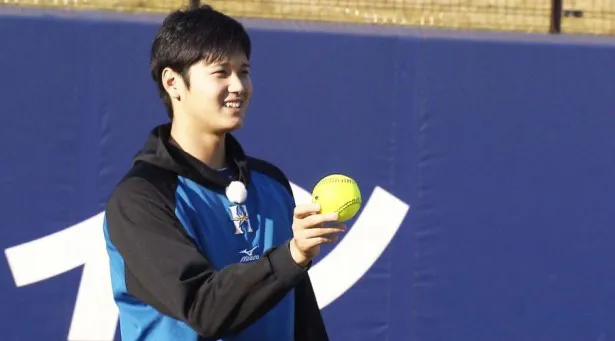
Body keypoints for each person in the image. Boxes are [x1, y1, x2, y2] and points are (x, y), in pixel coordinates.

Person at [102, 4, 345, 341]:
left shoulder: (271, 184)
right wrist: (292, 255)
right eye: (221, 72)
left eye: (244, 71)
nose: (239, 86)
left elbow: (300, 314)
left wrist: (293, 260)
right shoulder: (140, 198)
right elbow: (203, 309)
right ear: (173, 82)